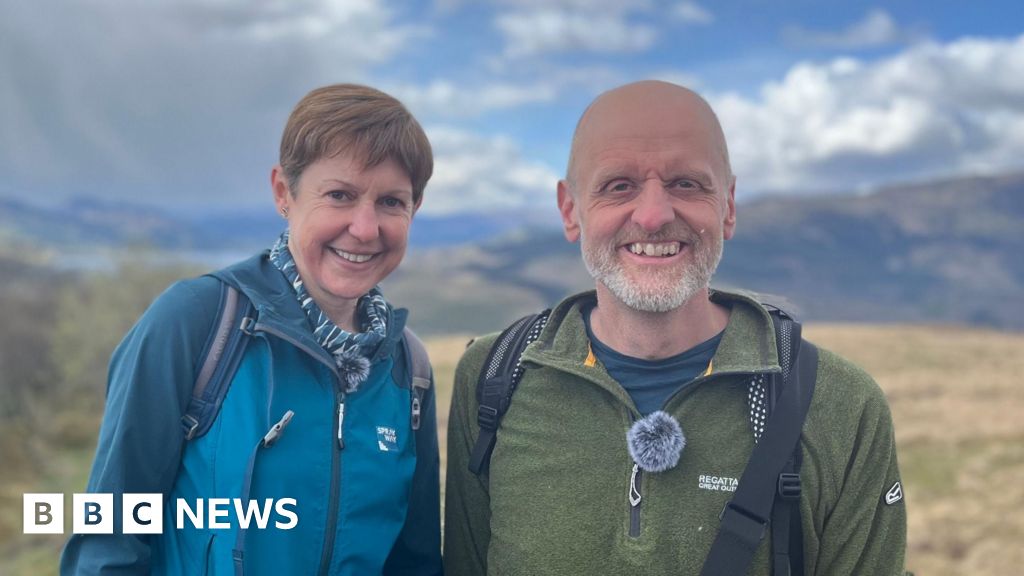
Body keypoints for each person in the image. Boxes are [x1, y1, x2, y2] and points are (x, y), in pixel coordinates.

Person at [443, 80, 907, 575]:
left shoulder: (838, 403)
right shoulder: (495, 378)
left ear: (727, 205)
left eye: (686, 183)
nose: (653, 215)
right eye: (618, 185)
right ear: (569, 210)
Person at [61, 84, 443, 575]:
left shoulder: (408, 368)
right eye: (340, 195)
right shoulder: (197, 322)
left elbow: (414, 563)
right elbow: (108, 537)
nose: (366, 228)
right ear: (284, 192)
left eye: (391, 202)